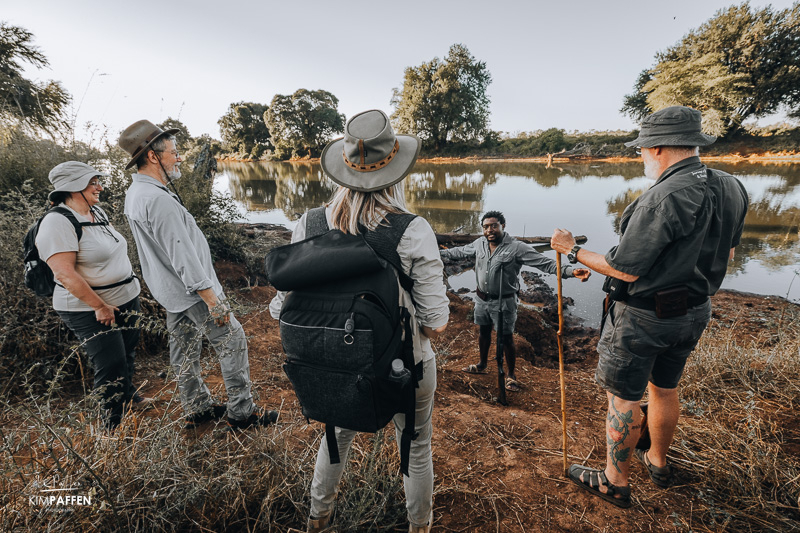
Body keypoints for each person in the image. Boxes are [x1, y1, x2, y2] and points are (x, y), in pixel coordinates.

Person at [550, 105, 749, 508]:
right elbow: (728, 255)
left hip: (643, 319)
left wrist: (572, 251)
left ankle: (614, 482)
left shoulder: (663, 196)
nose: (640, 156)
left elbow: (624, 270)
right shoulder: (732, 186)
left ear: (657, 148)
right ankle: (657, 460)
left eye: (642, 149)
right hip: (695, 311)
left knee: (623, 397)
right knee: (665, 387)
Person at [270, 109, 449, 533]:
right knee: (416, 445)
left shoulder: (308, 223)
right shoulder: (411, 229)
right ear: (397, 171)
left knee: (335, 438)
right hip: (404, 366)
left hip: (332, 361)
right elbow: (436, 322)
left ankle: (318, 520)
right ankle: (418, 527)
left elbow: (281, 307)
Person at [119, 120, 277, 431]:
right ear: (153, 156)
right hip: (191, 290)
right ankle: (242, 413)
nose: (178, 158)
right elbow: (182, 254)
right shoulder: (157, 199)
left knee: (184, 348)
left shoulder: (137, 193)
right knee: (232, 339)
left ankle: (197, 407)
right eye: (174, 153)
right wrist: (212, 299)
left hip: (171, 291)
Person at [36, 161, 146, 430]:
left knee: (127, 352)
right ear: (73, 188)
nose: (100, 186)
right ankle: (110, 430)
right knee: (111, 364)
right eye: (92, 182)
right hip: (89, 307)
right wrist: (100, 305)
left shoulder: (97, 212)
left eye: (98, 180)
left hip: (126, 297)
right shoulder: (57, 222)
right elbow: (64, 274)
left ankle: (128, 396)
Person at [440, 211, 590, 391]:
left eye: (494, 226)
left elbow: (546, 264)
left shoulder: (517, 247)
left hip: (504, 302)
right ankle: (481, 365)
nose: (490, 230)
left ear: (503, 226)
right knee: (484, 333)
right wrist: (433, 253)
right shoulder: (479, 244)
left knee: (506, 338)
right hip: (481, 299)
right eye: (486, 227)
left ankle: (510, 376)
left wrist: (570, 272)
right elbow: (458, 252)